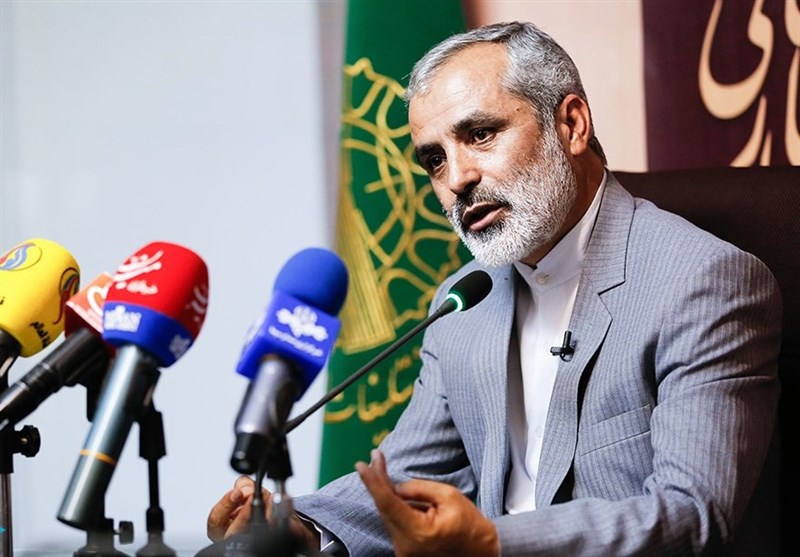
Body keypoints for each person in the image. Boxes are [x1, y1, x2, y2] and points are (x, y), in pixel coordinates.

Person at [207, 21, 782, 556]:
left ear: (572, 125)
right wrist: (299, 527)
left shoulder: (702, 282)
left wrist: (490, 542)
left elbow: (691, 513)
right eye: (434, 160)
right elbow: (410, 476)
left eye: (480, 134)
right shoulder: (463, 300)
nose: (457, 180)